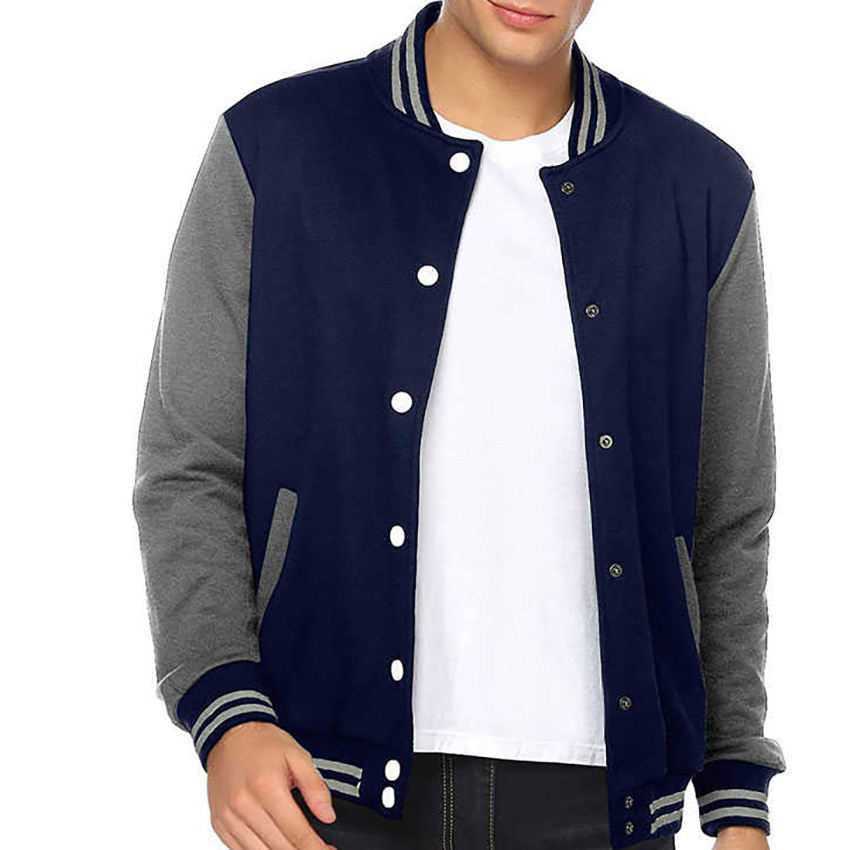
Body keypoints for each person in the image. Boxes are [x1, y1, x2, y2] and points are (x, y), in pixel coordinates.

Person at [133, 1, 785, 847]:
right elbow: (190, 462)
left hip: (604, 807)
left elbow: (729, 513)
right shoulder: (276, 148)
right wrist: (227, 711)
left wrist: (736, 790)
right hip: (320, 788)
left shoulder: (700, 187)